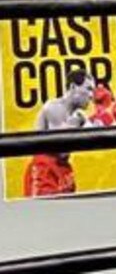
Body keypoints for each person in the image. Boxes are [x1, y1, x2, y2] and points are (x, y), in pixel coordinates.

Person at [23, 68, 95, 197]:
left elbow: (98, 135)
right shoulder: (53, 107)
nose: (91, 95)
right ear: (73, 87)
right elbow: (61, 147)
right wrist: (78, 122)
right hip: (44, 169)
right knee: (44, 213)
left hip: (63, 168)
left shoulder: (78, 115)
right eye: (88, 89)